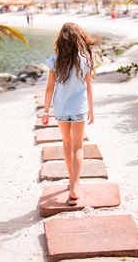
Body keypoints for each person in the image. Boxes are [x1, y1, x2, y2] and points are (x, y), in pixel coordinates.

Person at [42, 23, 99, 205]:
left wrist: (45, 111)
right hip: (79, 109)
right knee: (78, 147)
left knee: (66, 145)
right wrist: (91, 109)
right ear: (79, 40)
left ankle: (71, 180)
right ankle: (74, 186)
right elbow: (89, 89)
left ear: (61, 40)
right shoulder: (86, 61)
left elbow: (50, 88)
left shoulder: (55, 61)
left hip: (60, 109)